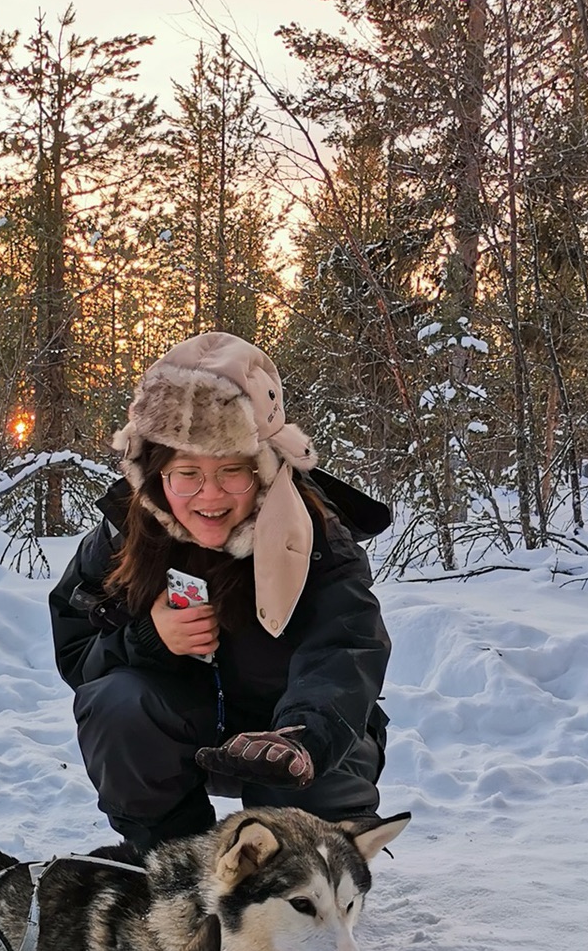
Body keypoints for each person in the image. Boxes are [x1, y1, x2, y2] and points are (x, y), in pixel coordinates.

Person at [49, 331, 393, 855]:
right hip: (185, 728)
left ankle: (315, 870)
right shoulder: (125, 533)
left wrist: (303, 737)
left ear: (265, 468)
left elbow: (347, 653)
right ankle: (174, 865)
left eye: (232, 472)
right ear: (155, 474)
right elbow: (78, 653)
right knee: (117, 704)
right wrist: (148, 637)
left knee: (308, 835)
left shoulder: (316, 539)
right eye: (186, 474)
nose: (208, 496)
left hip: (297, 735)